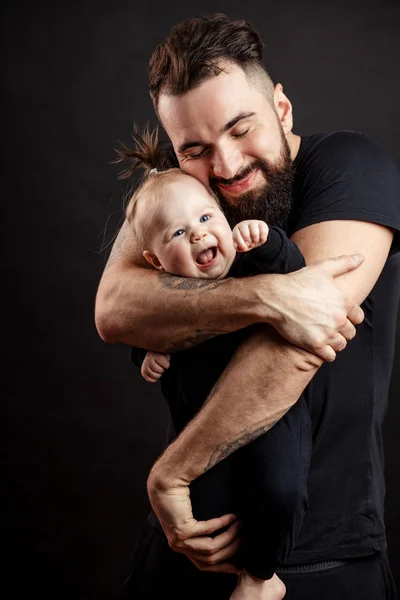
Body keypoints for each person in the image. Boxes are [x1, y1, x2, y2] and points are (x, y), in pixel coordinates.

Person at [95, 13, 400, 600]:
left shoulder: (349, 167)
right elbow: (114, 307)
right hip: (186, 542)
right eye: (197, 149)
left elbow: (296, 348)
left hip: (321, 561)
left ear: (281, 110)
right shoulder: (180, 195)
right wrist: (271, 295)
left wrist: (172, 473)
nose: (227, 167)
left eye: (241, 129)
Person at [115, 127, 311, 596]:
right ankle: (223, 573)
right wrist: (146, 352)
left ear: (225, 218)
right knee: (207, 509)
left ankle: (261, 577)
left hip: (268, 420)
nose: (200, 233)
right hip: (200, 433)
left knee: (279, 489)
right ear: (156, 260)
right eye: (179, 233)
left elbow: (295, 275)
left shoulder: (248, 262)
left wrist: (265, 242)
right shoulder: (170, 298)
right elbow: (140, 325)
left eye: (206, 217)